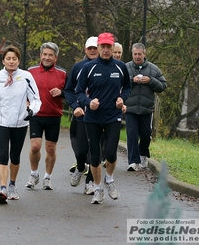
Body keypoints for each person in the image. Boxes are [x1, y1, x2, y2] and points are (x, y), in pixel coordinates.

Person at [0, 45, 41, 204]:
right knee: (3, 155)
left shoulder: (26, 77)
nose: (11, 61)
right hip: (1, 122)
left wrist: (31, 111)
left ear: (19, 60)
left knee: (14, 156)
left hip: (20, 122)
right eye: (8, 58)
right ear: (3, 60)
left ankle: (12, 184)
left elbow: (36, 99)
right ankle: (3, 188)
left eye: (14, 59)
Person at [75, 32, 131, 204]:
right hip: (92, 117)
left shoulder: (121, 67)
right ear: (98, 47)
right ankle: (98, 188)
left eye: (109, 47)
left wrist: (123, 99)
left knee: (111, 154)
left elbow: (128, 88)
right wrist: (88, 102)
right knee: (95, 155)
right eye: (103, 47)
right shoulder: (89, 67)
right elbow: (78, 92)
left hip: (113, 115)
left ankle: (110, 179)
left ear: (113, 48)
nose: (106, 50)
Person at [24, 42, 66, 190]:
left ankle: (47, 177)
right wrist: (27, 102)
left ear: (56, 58)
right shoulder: (30, 71)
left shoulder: (63, 74)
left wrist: (61, 93)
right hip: (36, 114)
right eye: (45, 54)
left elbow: (71, 92)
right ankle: (34, 174)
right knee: (35, 147)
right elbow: (23, 89)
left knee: (51, 149)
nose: (47, 57)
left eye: (50, 55)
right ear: (40, 56)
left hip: (54, 115)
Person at [65, 36, 99, 195]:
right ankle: (80, 167)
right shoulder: (78, 67)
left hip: (101, 117)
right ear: (85, 49)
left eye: (95, 48)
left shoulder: (109, 67)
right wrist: (75, 106)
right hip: (82, 114)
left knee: (96, 151)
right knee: (81, 151)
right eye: (90, 48)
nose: (93, 50)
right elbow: (68, 90)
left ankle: (90, 182)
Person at [125, 43, 167, 171]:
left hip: (146, 109)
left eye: (139, 54)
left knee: (145, 134)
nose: (137, 57)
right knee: (131, 134)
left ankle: (143, 155)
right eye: (135, 54)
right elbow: (118, 83)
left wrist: (150, 81)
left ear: (144, 54)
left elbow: (163, 85)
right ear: (132, 54)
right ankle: (132, 162)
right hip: (130, 108)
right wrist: (132, 80)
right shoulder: (125, 67)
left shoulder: (153, 69)